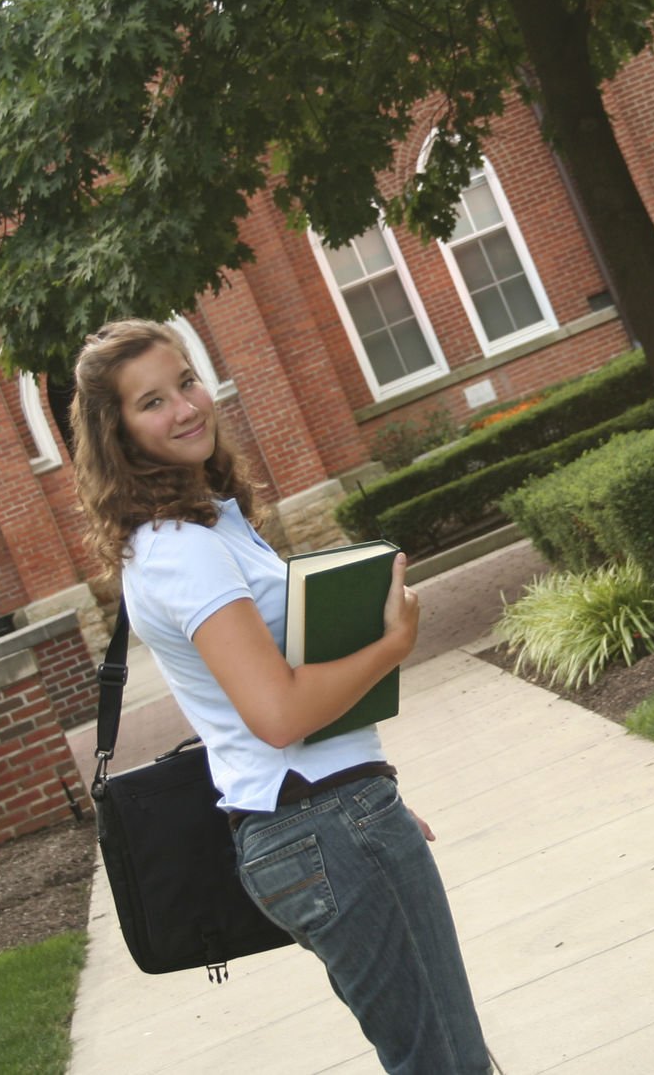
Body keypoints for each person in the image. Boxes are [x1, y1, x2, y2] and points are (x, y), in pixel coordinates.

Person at [70, 319, 492, 1075]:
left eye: (187, 381)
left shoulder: (201, 524)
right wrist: (390, 647)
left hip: (332, 814)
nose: (186, 406)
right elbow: (278, 713)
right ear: (118, 433)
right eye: (152, 401)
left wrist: (364, 790)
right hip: (323, 826)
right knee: (445, 1063)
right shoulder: (184, 548)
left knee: (444, 1057)